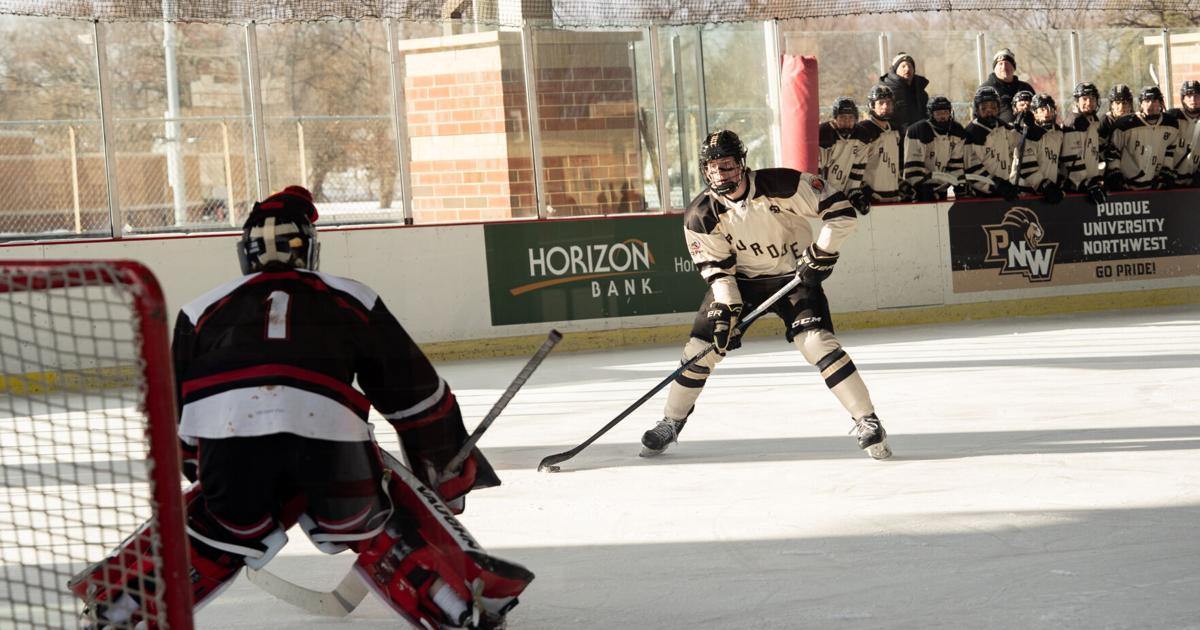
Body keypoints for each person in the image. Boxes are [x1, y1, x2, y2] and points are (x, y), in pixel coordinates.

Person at [73, 186, 531, 630]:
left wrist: (204, 472)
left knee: (217, 529)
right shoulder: (353, 297)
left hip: (230, 442)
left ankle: (120, 607)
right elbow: (416, 399)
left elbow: (175, 412)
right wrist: (443, 480)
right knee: (375, 519)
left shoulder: (200, 309)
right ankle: (452, 605)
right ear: (308, 248)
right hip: (330, 441)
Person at [638, 130, 891, 461]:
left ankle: (867, 420)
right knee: (701, 349)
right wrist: (727, 313)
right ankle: (671, 422)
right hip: (741, 283)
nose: (719, 174)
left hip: (794, 277)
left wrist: (822, 253)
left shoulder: (784, 185)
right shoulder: (701, 215)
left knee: (816, 343)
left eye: (726, 166)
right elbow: (718, 272)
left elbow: (841, 212)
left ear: (742, 164)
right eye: (711, 168)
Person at [1106, 85, 1180, 190]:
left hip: (1155, 186)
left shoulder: (1171, 124)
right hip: (1127, 187)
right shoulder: (1124, 125)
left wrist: (1166, 170)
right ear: (1141, 103)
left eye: (1155, 100)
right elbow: (1113, 152)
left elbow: (1170, 150)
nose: (1151, 105)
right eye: (1147, 100)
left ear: (1160, 103)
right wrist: (1116, 175)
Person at [902, 95, 967, 201]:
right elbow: (912, 168)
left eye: (945, 112)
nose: (943, 116)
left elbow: (956, 165)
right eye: (938, 113)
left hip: (942, 188)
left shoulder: (957, 130)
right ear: (931, 114)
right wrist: (920, 188)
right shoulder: (917, 131)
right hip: (919, 191)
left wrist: (960, 184)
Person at [963, 85, 1022, 200]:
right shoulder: (971, 133)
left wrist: (1025, 128)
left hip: (1003, 188)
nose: (989, 112)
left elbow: (1019, 143)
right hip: (980, 195)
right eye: (984, 108)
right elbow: (971, 168)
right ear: (977, 109)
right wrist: (995, 185)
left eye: (993, 108)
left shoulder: (1003, 127)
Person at [818, 97, 872, 214]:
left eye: (850, 118)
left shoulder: (862, 136)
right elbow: (817, 170)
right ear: (835, 117)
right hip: (822, 194)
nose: (847, 122)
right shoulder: (824, 134)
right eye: (842, 117)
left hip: (842, 193)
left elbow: (857, 169)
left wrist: (853, 191)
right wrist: (821, 194)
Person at [1013, 94, 1068, 204]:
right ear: (1034, 113)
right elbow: (1026, 167)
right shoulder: (1027, 133)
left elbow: (1060, 161)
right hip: (1026, 194)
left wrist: (1060, 179)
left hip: (1049, 191)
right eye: (1042, 109)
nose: (1047, 112)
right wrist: (1044, 185)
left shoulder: (1058, 133)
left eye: (1050, 108)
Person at [1061, 82, 1108, 204]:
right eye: (1085, 99)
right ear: (1077, 101)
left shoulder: (1093, 120)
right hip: (1076, 188)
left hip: (1089, 184)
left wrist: (1097, 177)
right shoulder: (1074, 122)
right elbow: (1072, 158)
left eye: (1092, 98)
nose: (1089, 102)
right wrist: (1086, 183)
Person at [856, 84, 904, 202]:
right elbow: (852, 165)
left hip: (893, 195)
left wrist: (901, 183)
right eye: (881, 103)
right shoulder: (863, 129)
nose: (885, 106)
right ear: (872, 106)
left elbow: (893, 164)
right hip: (872, 197)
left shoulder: (895, 130)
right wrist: (864, 190)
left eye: (889, 102)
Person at [979, 48, 1036, 124]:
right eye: (1000, 64)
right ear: (994, 68)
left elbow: (1037, 111)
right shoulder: (986, 90)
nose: (1004, 67)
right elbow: (979, 118)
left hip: (1027, 133)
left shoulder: (1025, 88)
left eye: (1007, 64)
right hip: (996, 133)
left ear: (1013, 67)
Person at [878, 52, 930, 132]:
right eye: (903, 66)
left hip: (919, 138)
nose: (907, 69)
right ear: (895, 70)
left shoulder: (920, 91)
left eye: (910, 66)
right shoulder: (886, 92)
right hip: (895, 139)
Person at [1167, 80, 1200, 187]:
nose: (1193, 99)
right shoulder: (1172, 117)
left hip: (1193, 181)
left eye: (1197, 95)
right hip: (1169, 179)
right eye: (1189, 96)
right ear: (1183, 98)